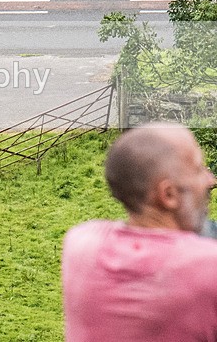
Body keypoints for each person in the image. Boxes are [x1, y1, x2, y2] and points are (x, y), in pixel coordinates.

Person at [62, 123, 217, 341]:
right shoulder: (208, 269)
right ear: (169, 195)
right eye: (199, 170)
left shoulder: (80, 244)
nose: (210, 180)